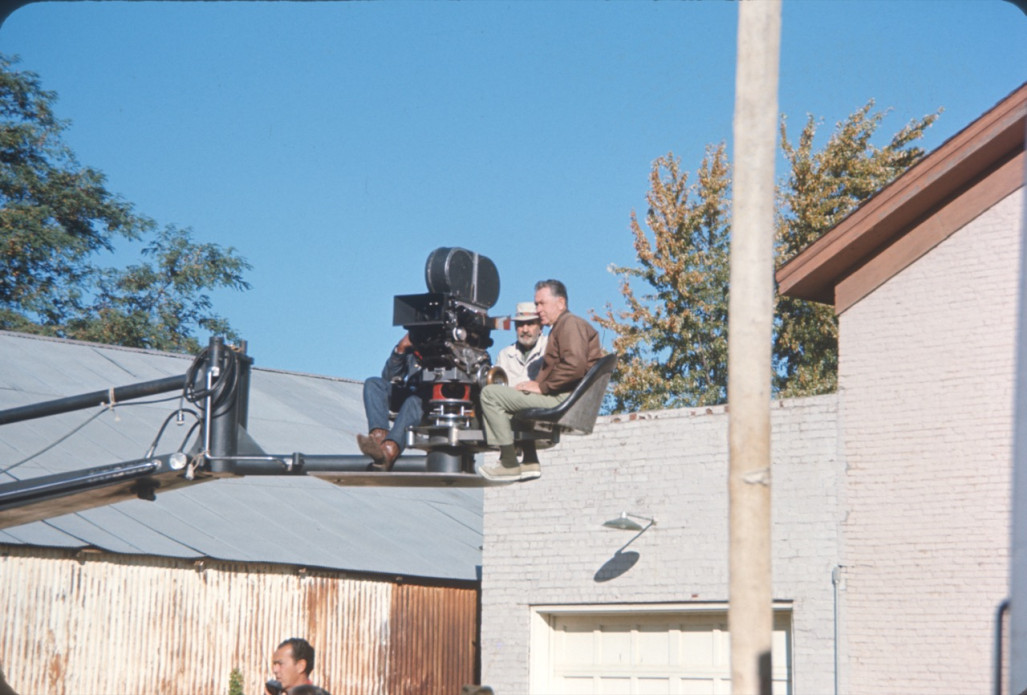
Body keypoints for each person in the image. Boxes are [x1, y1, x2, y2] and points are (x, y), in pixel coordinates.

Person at [477, 279, 602, 481]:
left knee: (490, 394)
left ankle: (509, 463)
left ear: (560, 303)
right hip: (565, 396)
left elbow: (575, 365)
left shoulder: (569, 324)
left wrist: (542, 387)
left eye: (542, 303)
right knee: (514, 400)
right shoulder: (562, 327)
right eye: (536, 304)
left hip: (564, 398)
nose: (538, 309)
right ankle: (530, 461)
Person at [357, 332, 422, 471]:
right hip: (411, 394)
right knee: (373, 384)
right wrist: (400, 350)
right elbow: (389, 377)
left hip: (433, 402)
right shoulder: (416, 347)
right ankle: (378, 440)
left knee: (413, 401)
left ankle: (389, 450)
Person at [495, 301, 548, 387]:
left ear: (541, 327)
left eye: (530, 324)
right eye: (520, 324)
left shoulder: (549, 347)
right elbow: (497, 386)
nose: (525, 330)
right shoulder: (505, 355)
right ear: (515, 327)